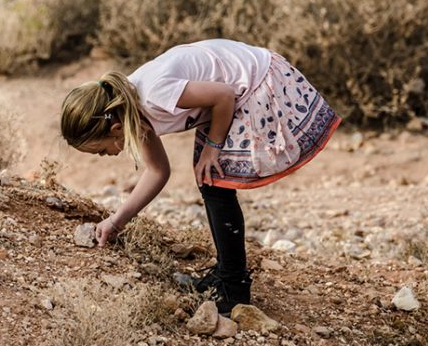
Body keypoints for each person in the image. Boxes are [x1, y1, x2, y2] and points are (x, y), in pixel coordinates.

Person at [60, 38, 341, 313]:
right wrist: (116, 221)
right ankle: (225, 275)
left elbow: (223, 96)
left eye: (100, 151)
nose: (105, 156)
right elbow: (158, 172)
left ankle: (234, 288)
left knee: (213, 177)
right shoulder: (131, 113)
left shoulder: (154, 94)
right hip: (229, 96)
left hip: (260, 80)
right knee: (210, 177)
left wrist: (213, 147)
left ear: (115, 129)